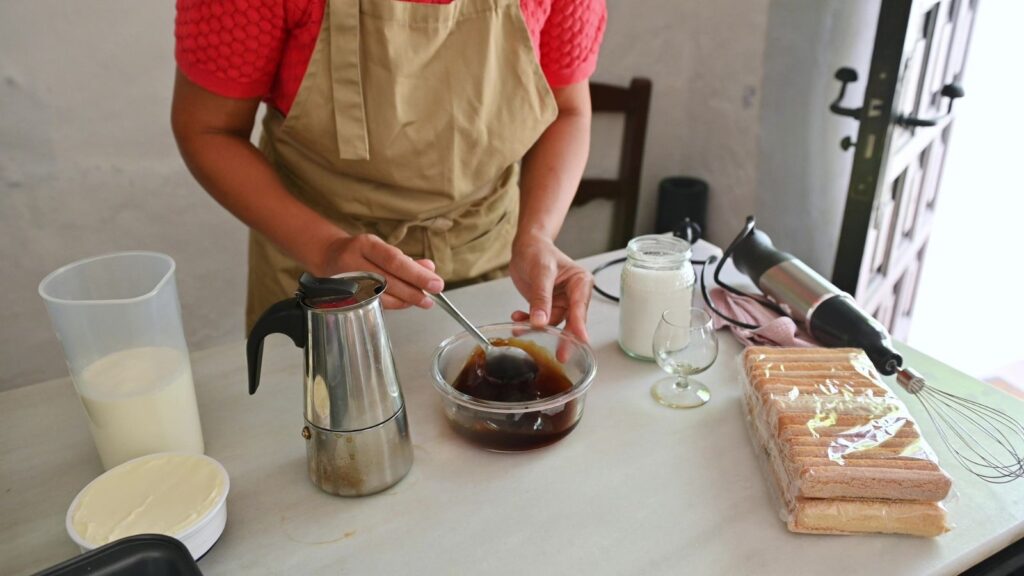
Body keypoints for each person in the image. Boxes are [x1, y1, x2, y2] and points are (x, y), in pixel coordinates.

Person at [171, 0, 607, 342]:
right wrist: (326, 250)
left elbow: (568, 111)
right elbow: (208, 129)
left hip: (489, 257)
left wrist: (536, 235)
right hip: (321, 266)